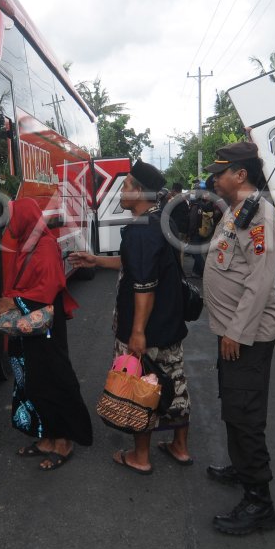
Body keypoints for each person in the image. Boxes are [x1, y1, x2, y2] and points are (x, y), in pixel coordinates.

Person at [69, 160, 191, 475]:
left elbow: (144, 285)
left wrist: (137, 331)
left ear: (139, 192)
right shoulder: (162, 222)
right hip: (170, 325)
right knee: (173, 383)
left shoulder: (140, 231)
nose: (120, 192)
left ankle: (140, 456)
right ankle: (180, 447)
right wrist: (95, 260)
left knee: (142, 388)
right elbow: (136, 266)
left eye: (125, 186)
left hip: (147, 330)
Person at [201, 141, 275, 535]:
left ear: (240, 174)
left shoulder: (260, 217)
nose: (214, 178)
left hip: (246, 336)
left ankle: (259, 504)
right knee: (234, 406)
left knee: (245, 414)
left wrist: (236, 330)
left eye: (220, 172)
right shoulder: (238, 211)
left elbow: (261, 279)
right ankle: (240, 467)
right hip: (233, 333)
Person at [0, 198, 92, 470]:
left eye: (13, 216)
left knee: (53, 379)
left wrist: (13, 301)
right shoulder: (26, 243)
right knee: (33, 381)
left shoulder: (45, 245)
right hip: (29, 327)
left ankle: (63, 440)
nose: (9, 221)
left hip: (45, 326)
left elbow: (49, 288)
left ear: (25, 218)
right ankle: (45, 438)